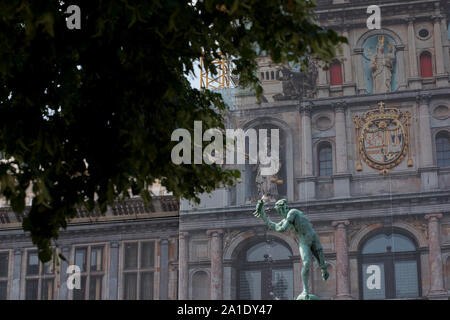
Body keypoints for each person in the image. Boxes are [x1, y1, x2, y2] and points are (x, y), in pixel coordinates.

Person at [253, 198, 329, 300]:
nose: (282, 211)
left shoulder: (292, 213)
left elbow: (282, 228)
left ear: (285, 207)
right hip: (304, 242)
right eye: (280, 211)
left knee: (322, 265)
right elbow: (275, 226)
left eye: (282, 209)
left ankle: (324, 269)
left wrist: (268, 220)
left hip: (313, 238)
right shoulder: (285, 220)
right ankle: (305, 290)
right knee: (306, 263)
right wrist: (264, 217)